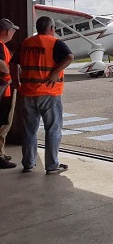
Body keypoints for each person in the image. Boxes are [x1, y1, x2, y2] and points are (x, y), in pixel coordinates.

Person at [12, 16, 74, 174]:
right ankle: (52, 165)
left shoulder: (26, 43)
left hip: (28, 93)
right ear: (52, 28)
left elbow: (13, 63)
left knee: (29, 131)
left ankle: (28, 163)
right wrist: (55, 73)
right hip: (49, 93)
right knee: (52, 130)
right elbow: (70, 57)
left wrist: (15, 82)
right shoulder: (55, 43)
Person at [0, 18, 19, 169]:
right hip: (3, 91)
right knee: (3, 124)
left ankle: (0, 151)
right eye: (13, 30)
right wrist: (8, 73)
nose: (13, 33)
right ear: (7, 31)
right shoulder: (0, 46)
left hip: (4, 90)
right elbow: (1, 64)